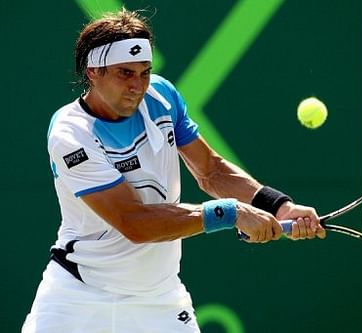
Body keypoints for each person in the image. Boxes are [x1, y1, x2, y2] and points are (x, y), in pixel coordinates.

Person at [22, 8, 325, 333]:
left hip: (159, 299)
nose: (137, 86)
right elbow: (134, 222)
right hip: (77, 297)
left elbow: (210, 170)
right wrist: (230, 212)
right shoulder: (71, 134)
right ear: (93, 72)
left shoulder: (162, 97)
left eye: (144, 72)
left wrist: (277, 205)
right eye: (125, 73)